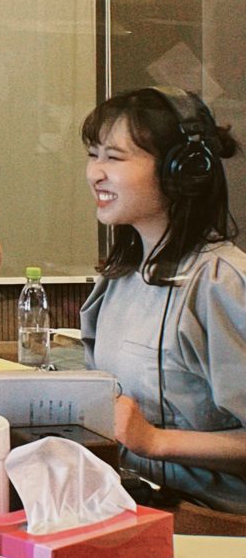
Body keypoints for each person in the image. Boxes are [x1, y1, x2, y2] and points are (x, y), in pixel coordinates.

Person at [80, 86, 246, 512]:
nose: (95, 173)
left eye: (114, 158)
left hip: (213, 523)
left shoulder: (220, 282)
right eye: (93, 155)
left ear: (181, 172)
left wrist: (154, 441)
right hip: (133, 506)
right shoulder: (121, 277)